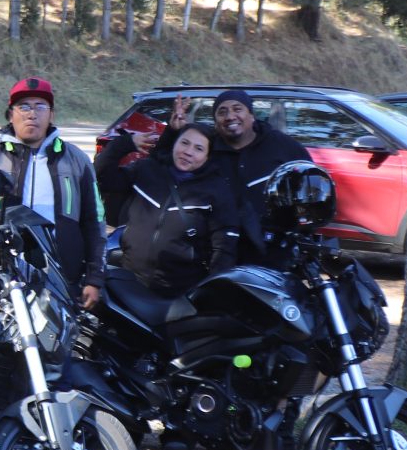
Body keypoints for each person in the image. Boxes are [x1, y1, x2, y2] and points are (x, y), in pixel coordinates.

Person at [0, 76, 106, 308]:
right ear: (11, 115)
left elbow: (95, 221)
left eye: (40, 106)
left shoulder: (75, 159)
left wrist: (94, 278)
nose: (32, 114)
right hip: (2, 271)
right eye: (24, 106)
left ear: (51, 115)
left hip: (61, 275)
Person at [155, 89, 314, 263]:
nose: (230, 116)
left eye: (237, 109)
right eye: (222, 112)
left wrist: (305, 233)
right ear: (216, 123)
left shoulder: (282, 146)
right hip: (219, 252)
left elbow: (309, 187)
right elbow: (164, 162)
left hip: (274, 253)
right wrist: (172, 132)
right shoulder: (208, 149)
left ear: (252, 116)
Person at [95, 121, 242, 308]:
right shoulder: (147, 170)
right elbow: (102, 176)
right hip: (130, 279)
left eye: (198, 148)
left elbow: (224, 248)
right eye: (184, 143)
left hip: (178, 292)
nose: (188, 152)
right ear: (174, 143)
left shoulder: (216, 190)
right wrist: (125, 143)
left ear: (208, 156)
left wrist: (211, 294)